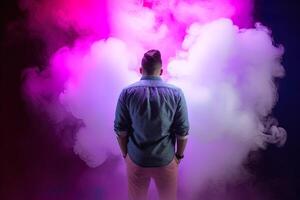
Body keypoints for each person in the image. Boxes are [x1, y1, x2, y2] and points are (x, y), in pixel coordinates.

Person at [114, 49, 190, 200]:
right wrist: (178, 156)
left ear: (141, 70)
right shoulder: (176, 93)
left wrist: (125, 155)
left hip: (137, 159)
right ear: (161, 71)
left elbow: (120, 131)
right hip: (166, 160)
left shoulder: (127, 93)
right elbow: (183, 132)